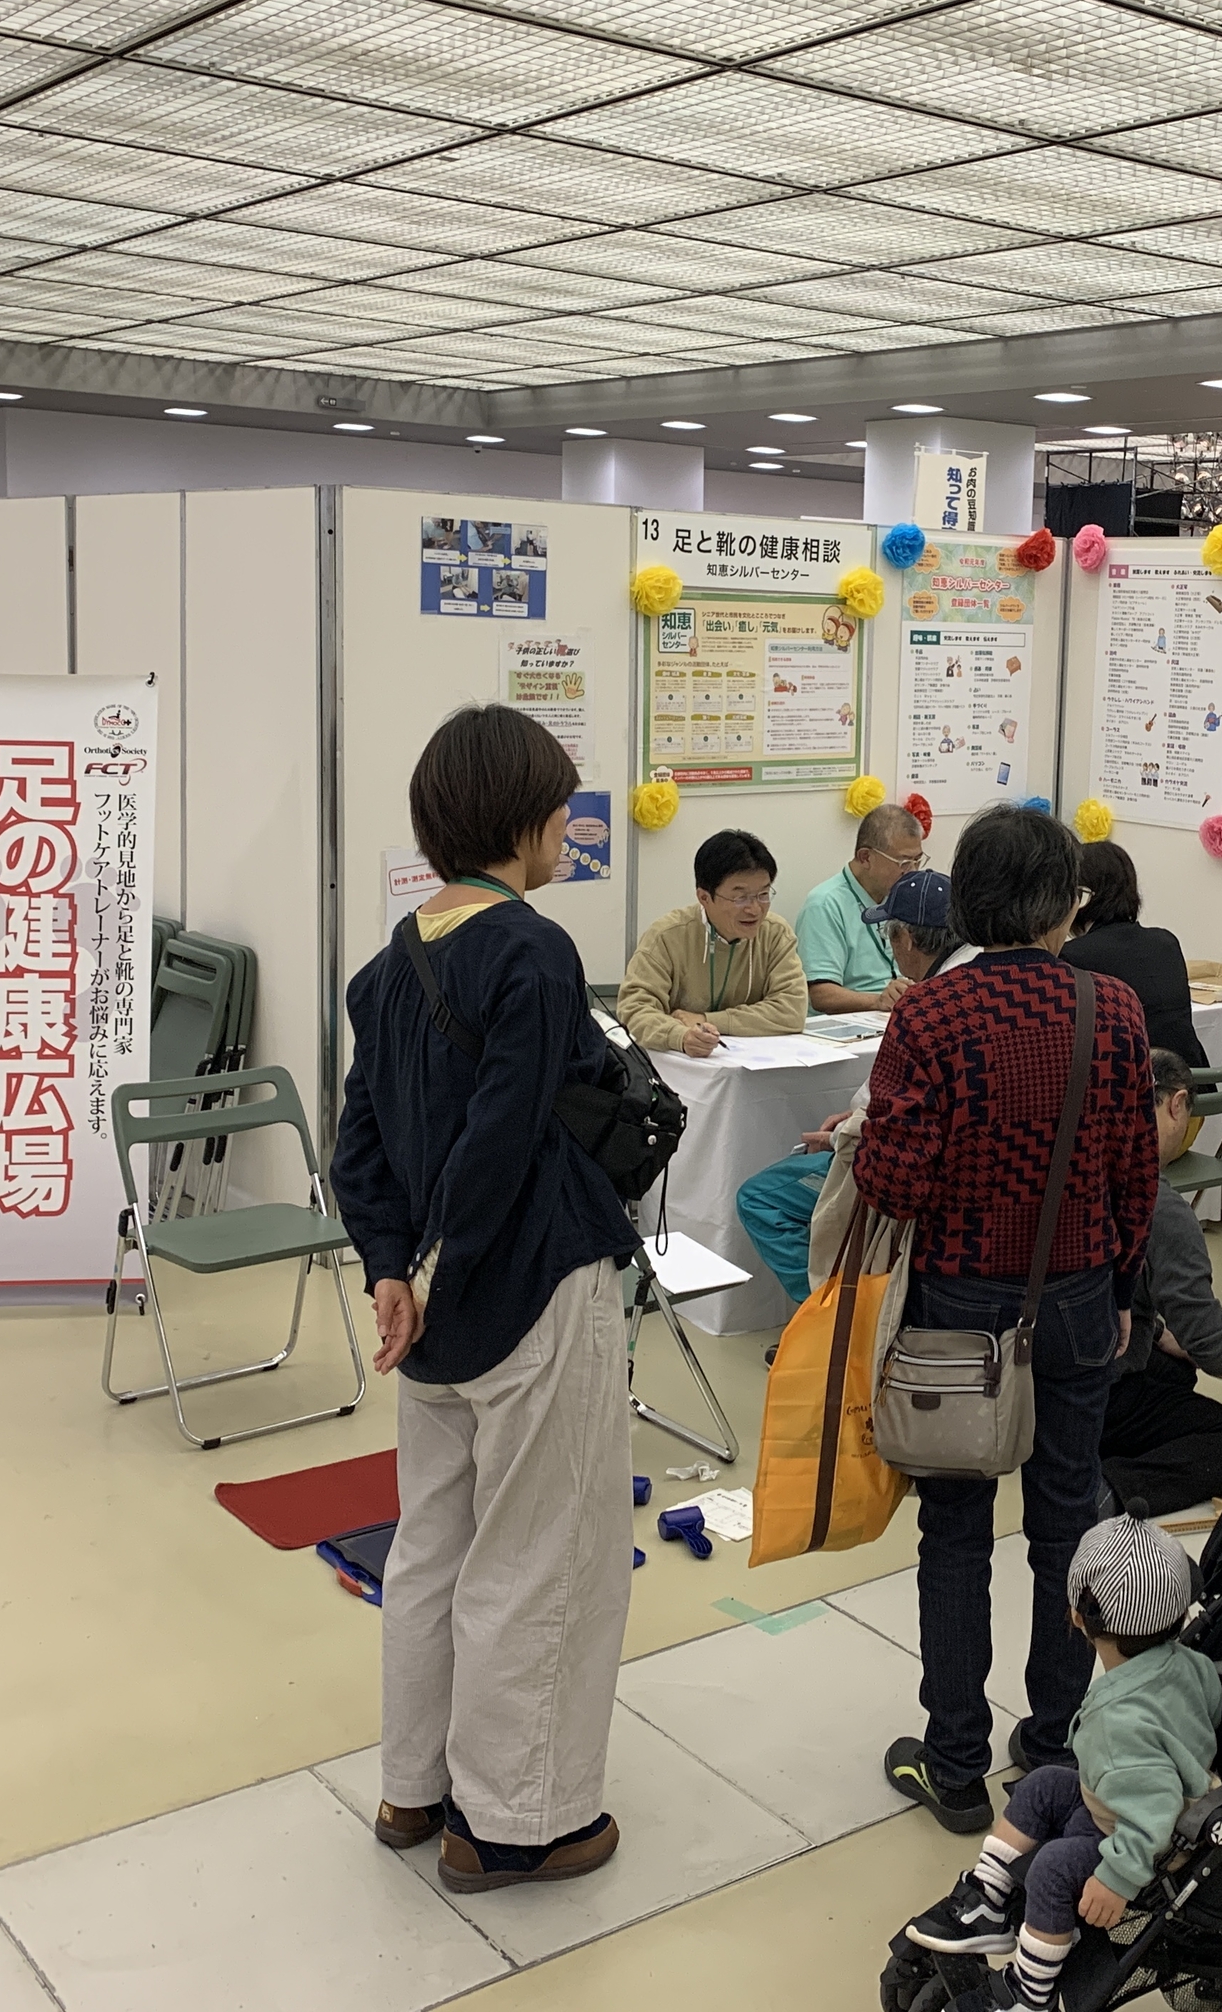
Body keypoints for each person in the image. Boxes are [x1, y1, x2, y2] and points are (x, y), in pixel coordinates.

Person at [330, 705, 643, 1896]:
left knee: (433, 1546)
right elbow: (505, 1135)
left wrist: (394, 1270)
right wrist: (440, 1260)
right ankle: (516, 1825)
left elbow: (360, 1144)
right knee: (544, 1553)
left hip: (432, 1317)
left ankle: (413, 1786)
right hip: (532, 1286)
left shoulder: (384, 970)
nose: (570, 827)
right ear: (521, 820)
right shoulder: (532, 951)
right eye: (562, 808)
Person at [861, 804, 1159, 1833]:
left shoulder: (929, 1017)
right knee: (1065, 1520)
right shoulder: (1112, 1008)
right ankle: (1056, 1745)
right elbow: (1137, 1172)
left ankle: (952, 1763)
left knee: (954, 1531)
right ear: (1061, 905)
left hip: (955, 1309)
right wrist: (1122, 1291)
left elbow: (894, 1182)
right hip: (1077, 1296)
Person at [901, 1512, 1221, 2010]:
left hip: (1144, 1840)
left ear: (1077, 1616)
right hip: (1130, 1803)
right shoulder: (1192, 1664)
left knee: (1051, 1870)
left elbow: (1154, 1807)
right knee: (1046, 1782)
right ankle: (988, 1898)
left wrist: (1118, 1877)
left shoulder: (1118, 1725)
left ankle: (1031, 1994)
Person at [735, 867, 960, 1303]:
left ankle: (827, 1315)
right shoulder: (968, 987)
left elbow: (891, 1123)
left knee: (761, 1197)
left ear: (905, 940)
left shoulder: (921, 1010)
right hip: (947, 1183)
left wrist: (846, 1133)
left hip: (896, 1174)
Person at [1100, 1049, 1222, 1517]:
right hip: (1100, 1388)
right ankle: (1111, 1488)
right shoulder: (1160, 1207)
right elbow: (1201, 1327)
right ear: (1177, 1104)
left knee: (1173, 1370)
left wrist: (1156, 1333)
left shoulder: (1074, 1171)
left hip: (1034, 1375)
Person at [615, 828, 808, 1055]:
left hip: (753, 1063)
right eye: (740, 897)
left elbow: (792, 1011)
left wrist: (707, 1019)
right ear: (704, 897)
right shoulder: (667, 936)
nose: (755, 909)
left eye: (763, 895)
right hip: (677, 1064)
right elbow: (634, 1009)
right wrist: (680, 1036)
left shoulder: (775, 934)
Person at [1062, 839, 1203, 1069]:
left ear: (1081, 896)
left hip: (1136, 1084)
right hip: (1193, 1081)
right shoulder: (1165, 942)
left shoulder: (1074, 957)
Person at [797, 802, 925, 1014]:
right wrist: (878, 1001)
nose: (912, 872)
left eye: (917, 860)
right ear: (865, 857)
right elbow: (820, 994)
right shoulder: (825, 904)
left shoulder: (904, 894)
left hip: (899, 1013)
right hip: (853, 1020)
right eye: (903, 862)